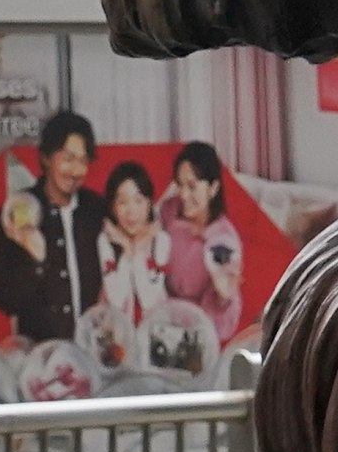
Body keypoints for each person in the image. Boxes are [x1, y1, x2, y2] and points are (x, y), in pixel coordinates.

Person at [0, 110, 105, 346]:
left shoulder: (96, 209)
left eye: (83, 160)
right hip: (39, 356)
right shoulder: (17, 212)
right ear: (46, 158)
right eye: (68, 159)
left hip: (93, 350)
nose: (76, 171)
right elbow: (2, 299)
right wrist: (36, 262)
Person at [85, 159, 177, 372]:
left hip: (156, 336)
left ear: (149, 203)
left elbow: (149, 298)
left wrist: (138, 249)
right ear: (113, 207)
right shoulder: (106, 241)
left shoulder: (161, 241)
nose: (131, 211)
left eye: (138, 200)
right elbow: (116, 299)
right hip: (115, 338)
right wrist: (127, 251)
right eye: (122, 202)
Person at [158, 142, 245, 342]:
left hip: (199, 328)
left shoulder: (223, 240)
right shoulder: (168, 211)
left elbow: (223, 298)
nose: (183, 195)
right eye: (179, 185)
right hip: (162, 313)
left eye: (192, 186)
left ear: (213, 188)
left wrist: (223, 295)